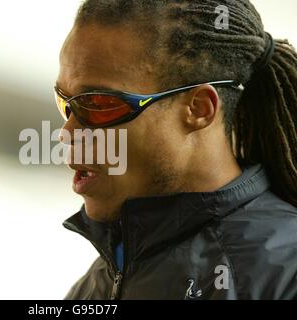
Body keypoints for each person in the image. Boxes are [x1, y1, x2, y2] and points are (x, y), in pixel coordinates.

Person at [53, 0, 297, 300]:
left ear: (199, 109)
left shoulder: (284, 276)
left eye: (99, 105)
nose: (68, 133)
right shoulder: (93, 287)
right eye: (65, 102)